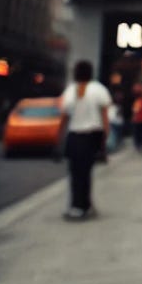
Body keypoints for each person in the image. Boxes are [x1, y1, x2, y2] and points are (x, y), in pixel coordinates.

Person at [59, 60, 111, 220]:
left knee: (75, 173)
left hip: (74, 135)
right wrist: (104, 139)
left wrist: (59, 138)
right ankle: (85, 206)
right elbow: (104, 117)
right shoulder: (99, 90)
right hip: (92, 135)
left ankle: (77, 206)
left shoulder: (69, 91)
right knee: (86, 172)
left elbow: (64, 117)